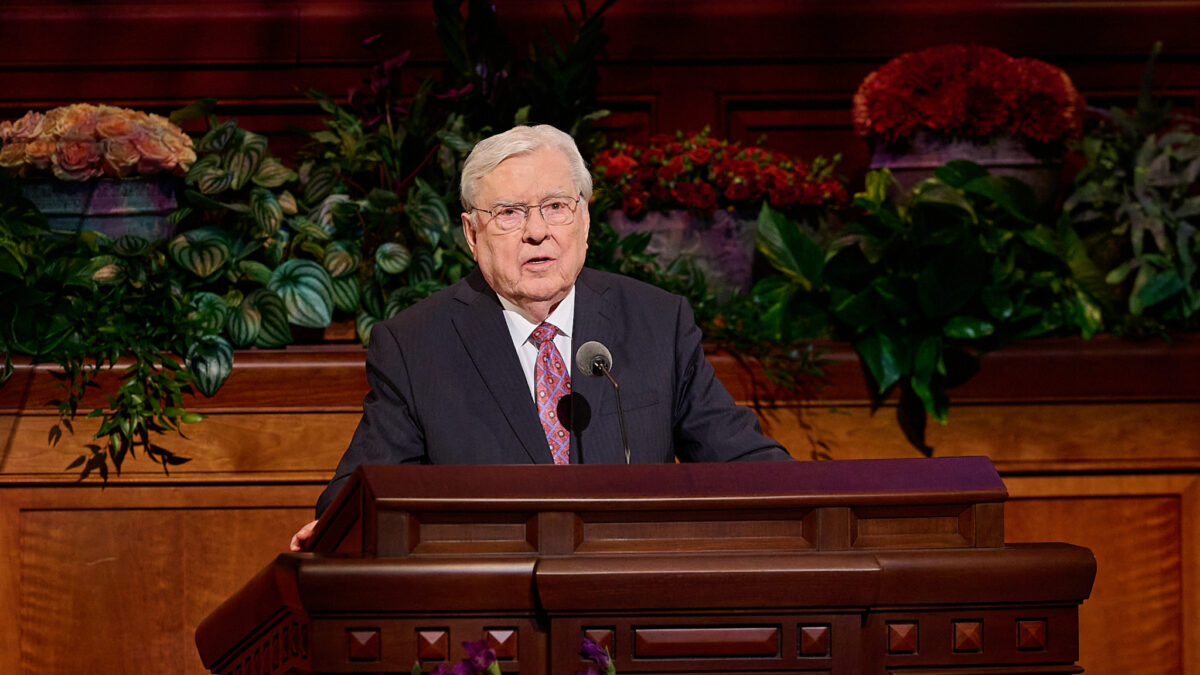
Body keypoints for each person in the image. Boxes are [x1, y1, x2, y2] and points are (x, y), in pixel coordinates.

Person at [290, 124, 790, 551]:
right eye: (508, 213)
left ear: (585, 219)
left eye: (555, 206)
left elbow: (744, 462)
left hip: (632, 597)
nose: (536, 231)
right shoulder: (416, 346)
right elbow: (352, 500)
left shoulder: (657, 322)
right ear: (471, 234)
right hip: (488, 618)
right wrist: (336, 532)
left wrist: (817, 496)